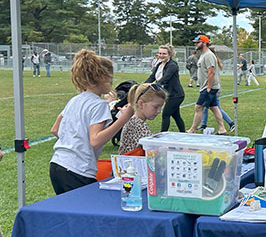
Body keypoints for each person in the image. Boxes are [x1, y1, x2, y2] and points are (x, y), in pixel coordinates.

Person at [49, 49, 134, 194]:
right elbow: (95, 141)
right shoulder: (98, 104)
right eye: (110, 76)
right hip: (78, 170)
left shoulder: (75, 100)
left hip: (57, 164)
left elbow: (55, 129)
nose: (112, 80)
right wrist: (125, 118)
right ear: (100, 77)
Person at [187, 35, 228, 134]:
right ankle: (222, 129)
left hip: (209, 87)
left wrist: (208, 87)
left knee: (198, 107)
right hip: (206, 87)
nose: (195, 45)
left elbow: (211, 72)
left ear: (204, 43)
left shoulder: (208, 55)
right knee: (213, 107)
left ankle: (192, 129)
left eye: (197, 42)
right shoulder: (203, 55)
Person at [118, 82, 167, 154]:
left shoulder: (134, 121)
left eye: (160, 107)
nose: (159, 111)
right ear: (141, 104)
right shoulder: (138, 125)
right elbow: (154, 148)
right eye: (156, 107)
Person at [146, 44, 186, 132]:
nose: (161, 55)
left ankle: (162, 135)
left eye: (164, 54)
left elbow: (165, 78)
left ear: (170, 55)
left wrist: (156, 85)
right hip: (168, 94)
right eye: (160, 53)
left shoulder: (172, 65)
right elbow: (152, 77)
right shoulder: (159, 64)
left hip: (176, 95)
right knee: (176, 116)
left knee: (165, 114)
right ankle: (184, 133)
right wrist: (143, 86)